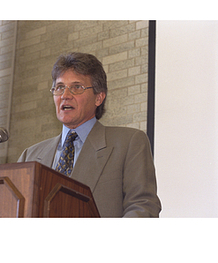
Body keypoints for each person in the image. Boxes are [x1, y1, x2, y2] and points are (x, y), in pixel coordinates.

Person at [18, 52, 161, 217]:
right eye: (60, 87)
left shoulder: (129, 143)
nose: (65, 95)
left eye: (77, 87)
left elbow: (143, 208)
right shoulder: (30, 156)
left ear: (99, 97)